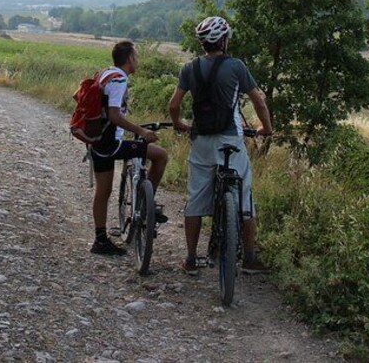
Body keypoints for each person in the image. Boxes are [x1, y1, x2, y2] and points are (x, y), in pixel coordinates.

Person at [168, 16, 273, 274]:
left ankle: (191, 260)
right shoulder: (236, 66)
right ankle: (249, 259)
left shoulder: (189, 68)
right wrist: (266, 128)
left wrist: (180, 123)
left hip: (201, 140)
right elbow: (258, 100)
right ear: (223, 40)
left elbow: (174, 105)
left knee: (194, 199)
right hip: (230, 141)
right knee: (244, 197)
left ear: (203, 43)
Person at [89, 40, 169, 256]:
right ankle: (146, 206)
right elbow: (115, 115)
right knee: (160, 156)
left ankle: (100, 240)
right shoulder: (119, 79)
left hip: (97, 142)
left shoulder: (105, 73)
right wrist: (142, 132)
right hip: (112, 143)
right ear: (130, 58)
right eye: (136, 56)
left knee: (103, 191)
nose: (138, 60)